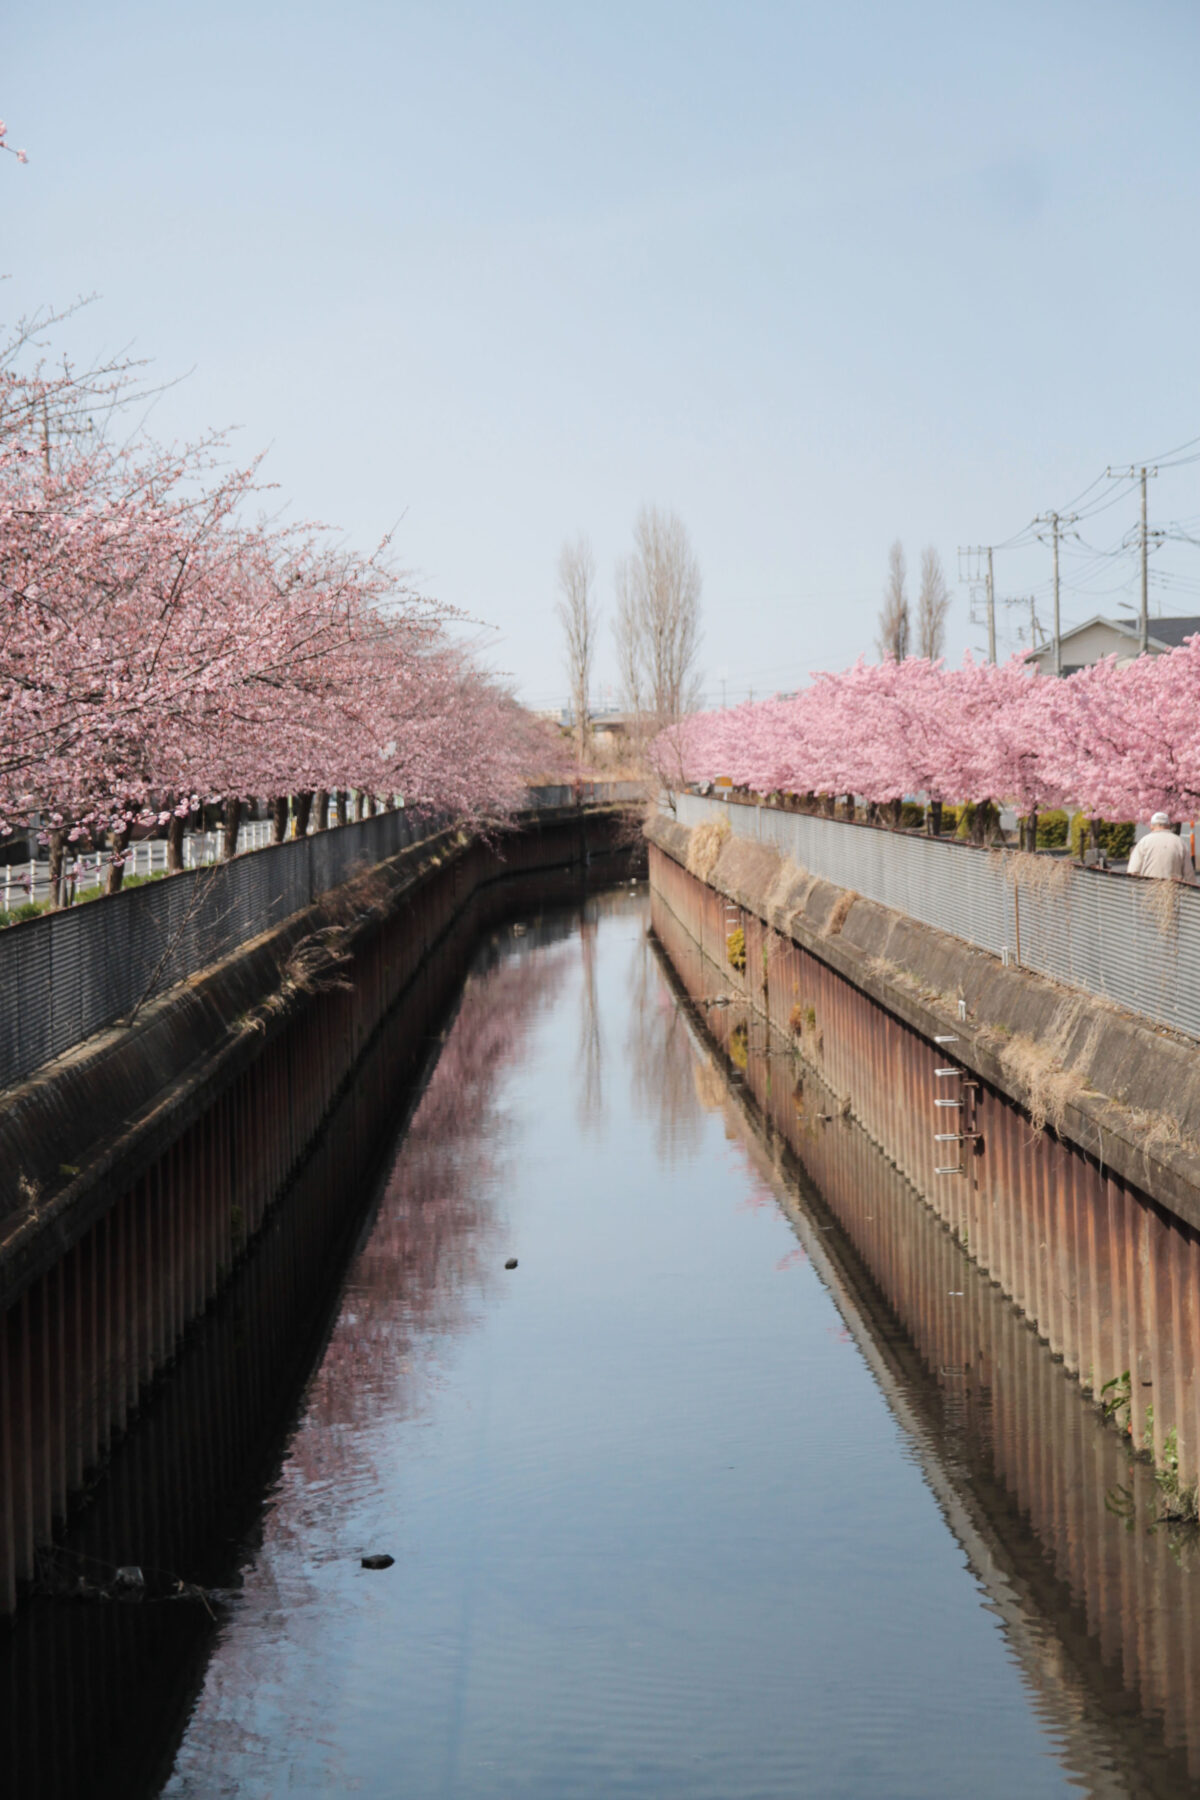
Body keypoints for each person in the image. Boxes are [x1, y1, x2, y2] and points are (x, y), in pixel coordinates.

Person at [1126, 812, 1194, 882]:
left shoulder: (1143, 842)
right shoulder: (1180, 843)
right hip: (1173, 889)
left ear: (1151, 826)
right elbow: (1189, 874)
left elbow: (1133, 871)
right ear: (1168, 826)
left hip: (1148, 888)